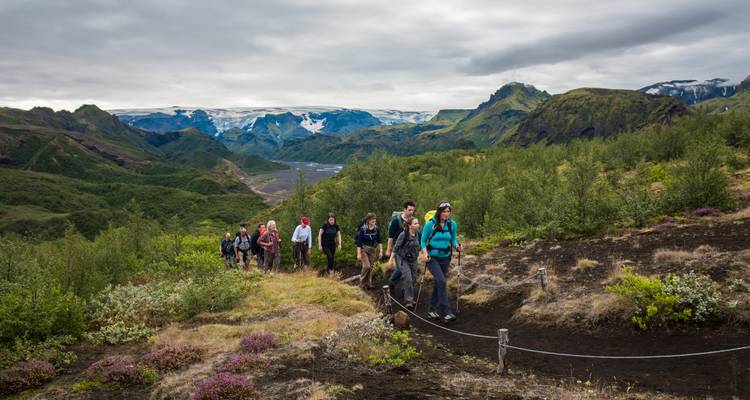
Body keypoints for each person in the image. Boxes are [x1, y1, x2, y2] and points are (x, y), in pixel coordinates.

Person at [421, 202, 463, 322]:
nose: (446, 214)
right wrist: (425, 254)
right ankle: (446, 311)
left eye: (448, 211)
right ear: (439, 212)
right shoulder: (430, 224)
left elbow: (453, 239)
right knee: (441, 281)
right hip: (432, 258)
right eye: (444, 211)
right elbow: (423, 241)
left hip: (446, 257)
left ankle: (431, 310)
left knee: (439, 283)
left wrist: (457, 247)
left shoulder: (452, 224)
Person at [388, 217, 426, 310]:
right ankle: (409, 301)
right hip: (402, 258)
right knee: (408, 277)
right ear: (409, 226)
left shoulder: (418, 234)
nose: (417, 225)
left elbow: (423, 243)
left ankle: (405, 291)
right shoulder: (403, 235)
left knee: (413, 278)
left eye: (418, 223)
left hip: (413, 259)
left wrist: (425, 254)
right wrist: (390, 260)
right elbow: (396, 247)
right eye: (415, 223)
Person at [386, 201, 416, 293]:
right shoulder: (396, 221)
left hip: (410, 249)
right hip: (398, 249)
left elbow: (417, 233)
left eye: (413, 210)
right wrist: (388, 250)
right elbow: (390, 237)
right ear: (404, 209)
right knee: (400, 268)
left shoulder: (412, 221)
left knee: (410, 269)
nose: (411, 212)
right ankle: (392, 282)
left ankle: (405, 289)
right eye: (409, 210)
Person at [355, 213, 382, 290]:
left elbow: (379, 240)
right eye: (372, 219)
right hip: (364, 249)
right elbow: (359, 243)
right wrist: (358, 254)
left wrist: (381, 251)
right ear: (368, 220)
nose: (374, 220)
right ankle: (361, 283)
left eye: (375, 219)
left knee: (370, 268)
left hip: (373, 250)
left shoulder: (376, 229)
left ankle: (369, 284)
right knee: (367, 266)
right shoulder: (363, 229)